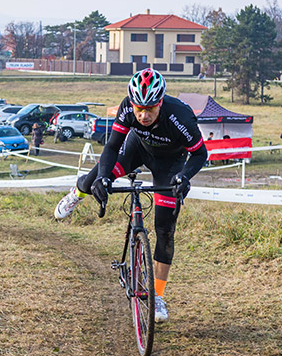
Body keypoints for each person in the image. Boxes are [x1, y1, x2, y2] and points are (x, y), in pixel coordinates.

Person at [54, 69, 207, 323]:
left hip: (170, 164)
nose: (144, 115)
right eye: (139, 109)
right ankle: (76, 193)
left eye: (150, 109)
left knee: (165, 229)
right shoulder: (127, 108)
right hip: (137, 149)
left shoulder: (180, 117)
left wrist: (186, 176)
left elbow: (200, 154)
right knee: (98, 177)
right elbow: (112, 146)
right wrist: (105, 177)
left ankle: (157, 296)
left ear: (160, 103)